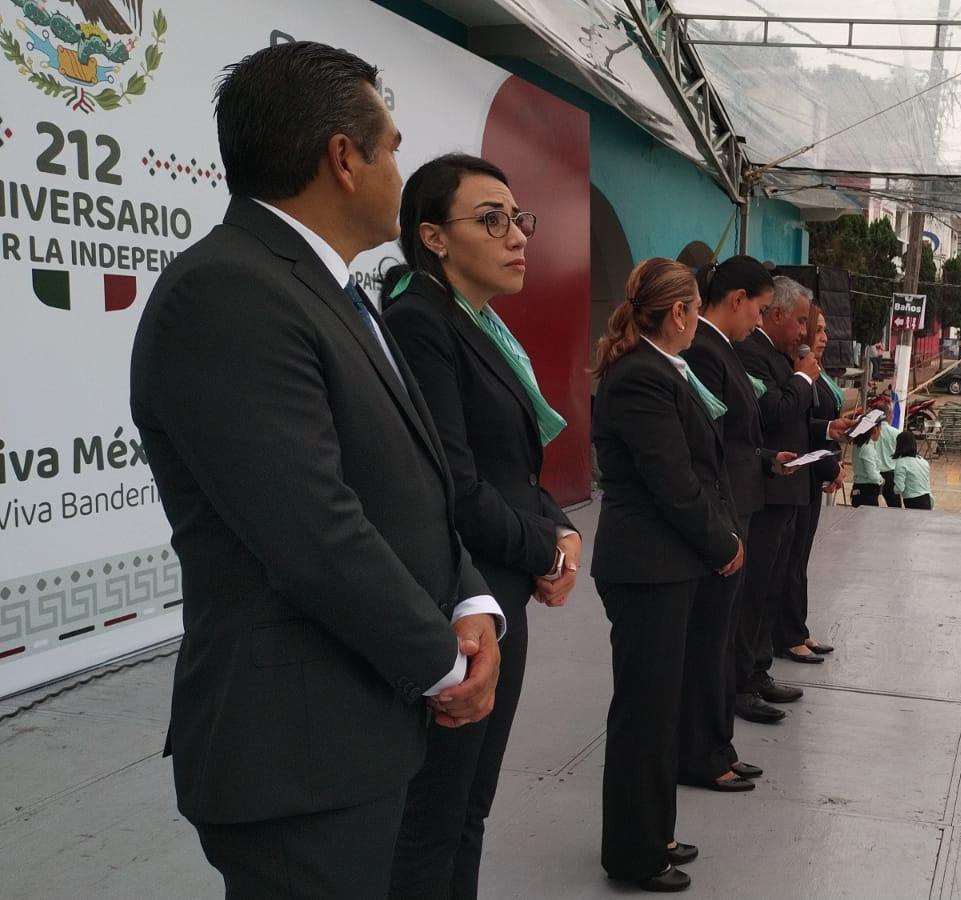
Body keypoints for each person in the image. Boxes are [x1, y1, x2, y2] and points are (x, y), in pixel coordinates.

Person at [128, 43, 503, 897]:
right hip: (295, 754)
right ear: (344, 156)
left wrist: (468, 596)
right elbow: (311, 528)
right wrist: (442, 663)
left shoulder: (328, 290)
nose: (399, 168)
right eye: (394, 145)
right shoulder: (227, 292)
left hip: (356, 729)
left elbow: (407, 478)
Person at [381, 154, 576, 898]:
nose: (517, 235)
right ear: (432, 236)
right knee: (433, 816)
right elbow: (454, 488)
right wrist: (545, 547)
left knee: (469, 806)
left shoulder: (479, 326)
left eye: (517, 218)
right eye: (490, 220)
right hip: (455, 596)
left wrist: (560, 530)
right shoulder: (420, 324)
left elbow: (510, 472)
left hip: (500, 593)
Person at [590, 258, 745, 892]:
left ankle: (655, 832)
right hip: (647, 567)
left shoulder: (657, 370)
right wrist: (722, 542)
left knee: (659, 708)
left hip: (664, 565)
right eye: (695, 308)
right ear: (679, 312)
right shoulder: (641, 378)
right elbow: (673, 482)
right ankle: (634, 852)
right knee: (644, 715)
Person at [679, 256, 787, 791]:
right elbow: (707, 446)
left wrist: (768, 459)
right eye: (761, 309)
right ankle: (703, 750)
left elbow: (738, 439)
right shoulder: (704, 348)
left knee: (721, 636)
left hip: (739, 501)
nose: (760, 322)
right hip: (722, 512)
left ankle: (717, 743)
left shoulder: (721, 347)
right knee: (710, 642)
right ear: (738, 297)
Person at [732, 277, 823, 723]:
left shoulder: (780, 358)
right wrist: (804, 379)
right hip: (766, 488)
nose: (805, 332)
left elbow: (795, 422)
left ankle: (759, 667)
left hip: (788, 482)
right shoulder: (753, 353)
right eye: (801, 320)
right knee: (752, 590)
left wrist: (828, 432)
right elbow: (772, 413)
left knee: (769, 585)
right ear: (778, 314)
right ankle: (743, 679)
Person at [773, 298, 852, 665]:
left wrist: (837, 431)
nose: (822, 336)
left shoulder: (816, 372)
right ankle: (787, 634)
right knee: (788, 562)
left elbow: (817, 423)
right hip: (797, 471)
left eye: (820, 328)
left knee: (799, 559)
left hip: (812, 471)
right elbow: (796, 426)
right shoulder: (797, 371)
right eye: (814, 327)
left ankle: (796, 629)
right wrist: (827, 465)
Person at [890, 431, 934, 509]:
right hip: (927, 498)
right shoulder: (923, 461)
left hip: (912, 501)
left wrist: (892, 489)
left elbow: (899, 488)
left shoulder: (901, 463)